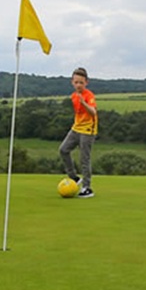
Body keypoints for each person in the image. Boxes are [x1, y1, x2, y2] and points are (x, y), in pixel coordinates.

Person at [59, 67, 97, 198]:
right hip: (76, 128)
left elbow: (93, 112)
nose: (78, 85)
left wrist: (84, 102)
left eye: (81, 82)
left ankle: (87, 187)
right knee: (63, 150)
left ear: (86, 82)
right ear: (72, 82)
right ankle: (74, 177)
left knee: (84, 159)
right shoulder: (73, 96)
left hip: (88, 130)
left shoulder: (89, 95)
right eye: (76, 82)